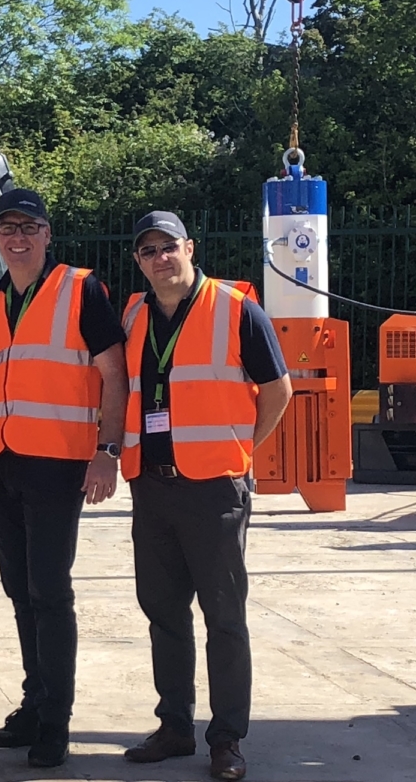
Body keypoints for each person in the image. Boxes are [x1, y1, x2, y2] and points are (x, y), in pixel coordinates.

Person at [118, 211, 292, 781]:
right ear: (139, 261)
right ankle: (174, 727)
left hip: (215, 486)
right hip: (153, 484)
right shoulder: (134, 313)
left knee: (224, 617)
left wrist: (243, 449)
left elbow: (277, 390)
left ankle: (227, 739)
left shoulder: (238, 309)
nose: (159, 258)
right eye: (147, 251)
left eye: (168, 247)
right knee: (163, 613)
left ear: (189, 247)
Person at [0, 188, 128, 768]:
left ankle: (55, 721)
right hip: (2, 461)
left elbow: (115, 375)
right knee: (19, 593)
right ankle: (33, 706)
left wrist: (107, 450)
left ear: (47, 234)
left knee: (50, 593)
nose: (16, 237)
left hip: (59, 463)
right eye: (6, 228)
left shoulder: (81, 289)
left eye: (27, 227)